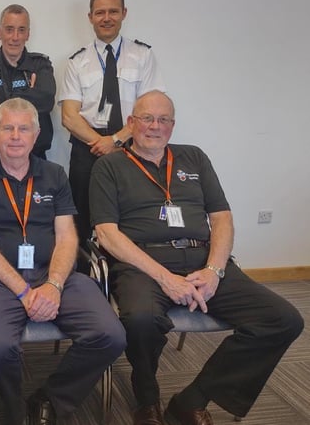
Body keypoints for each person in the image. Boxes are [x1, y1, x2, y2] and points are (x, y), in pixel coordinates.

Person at [90, 90, 304, 425]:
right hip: (143, 264)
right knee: (141, 319)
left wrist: (215, 271)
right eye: (146, 118)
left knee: (283, 319)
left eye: (163, 120)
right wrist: (165, 278)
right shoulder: (109, 166)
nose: (154, 126)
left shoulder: (194, 158)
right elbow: (106, 233)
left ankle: (193, 398)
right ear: (131, 123)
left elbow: (222, 218)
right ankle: (146, 397)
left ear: (172, 127)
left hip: (204, 260)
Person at [0, 98, 126, 425]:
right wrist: (24, 292)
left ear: (36, 136)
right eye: (8, 128)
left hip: (56, 274)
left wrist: (52, 285)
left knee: (111, 335)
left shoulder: (54, 174)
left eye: (24, 129)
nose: (16, 136)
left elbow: (67, 237)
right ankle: (14, 408)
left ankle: (50, 398)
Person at [58, 0, 164, 247]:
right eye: (100, 12)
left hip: (134, 146)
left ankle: (130, 276)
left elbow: (152, 111)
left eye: (113, 11)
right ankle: (84, 277)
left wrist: (116, 140)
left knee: (134, 213)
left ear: (124, 13)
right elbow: (69, 116)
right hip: (87, 149)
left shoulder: (143, 56)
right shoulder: (76, 61)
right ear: (90, 17)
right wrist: (101, 143)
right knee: (81, 217)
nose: (106, 18)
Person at [0, 4, 56, 159]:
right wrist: (28, 99)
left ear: (28, 34)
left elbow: (46, 101)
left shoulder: (40, 65)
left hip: (35, 157)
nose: (15, 37)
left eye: (21, 30)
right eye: (9, 29)